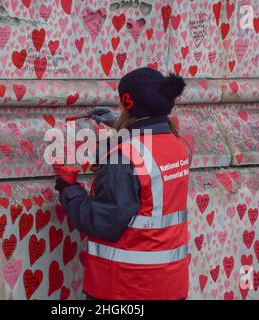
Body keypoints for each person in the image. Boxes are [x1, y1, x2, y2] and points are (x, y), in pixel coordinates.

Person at [55, 67, 192, 300]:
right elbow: (152, 136)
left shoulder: (124, 158)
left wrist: (69, 189)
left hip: (126, 287)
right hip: (171, 284)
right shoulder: (180, 145)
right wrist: (120, 123)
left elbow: (101, 222)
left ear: (127, 104)